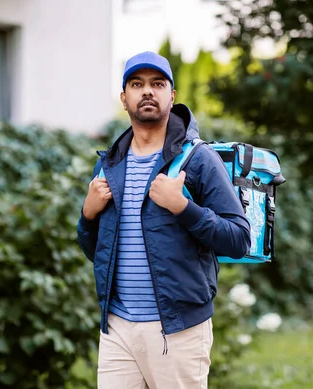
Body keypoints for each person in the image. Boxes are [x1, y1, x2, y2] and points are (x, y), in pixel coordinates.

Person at [76, 51, 251, 389]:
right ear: (124, 98)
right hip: (117, 329)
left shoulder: (199, 159)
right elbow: (96, 250)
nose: (147, 92)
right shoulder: (109, 165)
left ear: (171, 96)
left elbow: (238, 239)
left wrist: (183, 207)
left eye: (157, 84)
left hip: (178, 329)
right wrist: (88, 213)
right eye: (137, 84)